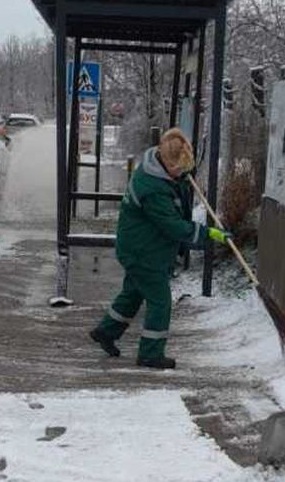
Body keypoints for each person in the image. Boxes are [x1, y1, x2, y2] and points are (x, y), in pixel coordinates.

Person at [89, 128, 231, 369]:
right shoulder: (152, 188)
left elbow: (175, 193)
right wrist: (208, 234)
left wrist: (181, 178)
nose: (182, 173)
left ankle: (106, 332)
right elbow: (173, 225)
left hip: (143, 247)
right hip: (143, 252)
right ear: (167, 163)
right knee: (160, 302)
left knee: (133, 293)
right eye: (179, 169)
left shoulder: (160, 169)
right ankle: (150, 354)